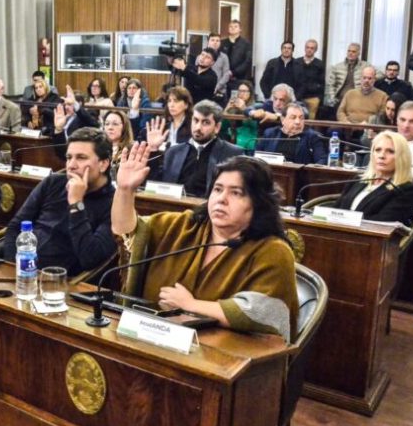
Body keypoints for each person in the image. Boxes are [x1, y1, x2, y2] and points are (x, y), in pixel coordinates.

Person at [112, 148, 298, 341]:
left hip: (225, 352)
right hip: (153, 339)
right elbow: (128, 233)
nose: (222, 199)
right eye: (217, 189)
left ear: (259, 203)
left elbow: (263, 312)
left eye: (236, 193)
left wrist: (191, 305)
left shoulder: (274, 250)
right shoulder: (182, 226)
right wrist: (125, 190)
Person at [3, 127, 116, 276]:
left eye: (81, 158)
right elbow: (15, 227)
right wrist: (12, 267)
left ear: (103, 164)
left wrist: (76, 203)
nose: (71, 165)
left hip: (61, 280)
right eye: (69, 157)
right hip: (23, 270)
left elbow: (90, 258)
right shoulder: (52, 183)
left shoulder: (114, 204)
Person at [147, 100, 244, 196]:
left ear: (217, 127)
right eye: (196, 120)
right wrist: (153, 149)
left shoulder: (231, 154)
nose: (198, 127)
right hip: (174, 204)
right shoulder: (174, 152)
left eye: (205, 122)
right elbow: (154, 186)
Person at [332, 131, 413, 226]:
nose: (382, 156)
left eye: (390, 151)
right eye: (378, 150)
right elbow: (335, 210)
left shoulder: (406, 190)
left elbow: (382, 223)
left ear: (402, 157)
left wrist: (344, 220)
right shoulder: (358, 179)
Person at [256, 103, 327, 164]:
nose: (298, 122)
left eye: (301, 118)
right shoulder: (270, 133)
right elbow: (256, 156)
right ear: (283, 120)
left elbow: (322, 160)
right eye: (293, 118)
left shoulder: (312, 137)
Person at [141, 86, 193, 152]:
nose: (171, 105)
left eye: (176, 101)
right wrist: (154, 148)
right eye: (169, 101)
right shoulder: (162, 124)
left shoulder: (193, 126)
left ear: (186, 105)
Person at [326, 43, 377, 108]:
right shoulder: (337, 67)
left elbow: (380, 74)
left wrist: (367, 78)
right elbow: (331, 84)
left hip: (358, 99)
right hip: (339, 100)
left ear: (358, 53)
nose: (350, 53)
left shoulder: (365, 66)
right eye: (349, 51)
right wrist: (332, 97)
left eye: (353, 51)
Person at [221, 81, 259, 152]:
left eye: (244, 91)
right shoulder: (234, 107)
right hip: (231, 140)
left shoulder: (256, 107)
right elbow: (222, 126)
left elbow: (255, 125)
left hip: (247, 141)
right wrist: (227, 109)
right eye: (239, 91)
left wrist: (244, 109)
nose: (241, 94)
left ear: (250, 93)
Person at [293, 39, 325, 119]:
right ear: (304, 48)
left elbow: (322, 83)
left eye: (312, 48)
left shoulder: (319, 64)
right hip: (297, 97)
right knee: (296, 118)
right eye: (307, 47)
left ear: (315, 50)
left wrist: (319, 99)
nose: (309, 50)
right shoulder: (296, 62)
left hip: (313, 98)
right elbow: (293, 79)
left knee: (310, 121)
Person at [102, 109, 134, 180]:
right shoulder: (98, 147)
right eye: (107, 124)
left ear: (124, 127)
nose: (110, 127)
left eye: (115, 124)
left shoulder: (132, 150)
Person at [221, 19, 252, 87]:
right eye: (231, 26)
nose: (233, 28)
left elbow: (247, 61)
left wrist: (233, 72)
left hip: (240, 77)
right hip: (223, 76)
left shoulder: (246, 44)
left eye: (235, 26)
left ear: (240, 29)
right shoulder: (222, 43)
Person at [200, 33, 230, 103]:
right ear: (208, 42)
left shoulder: (224, 57)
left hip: (219, 91)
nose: (215, 42)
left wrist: (217, 86)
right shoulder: (200, 57)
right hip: (203, 90)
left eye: (217, 41)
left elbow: (226, 74)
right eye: (212, 40)